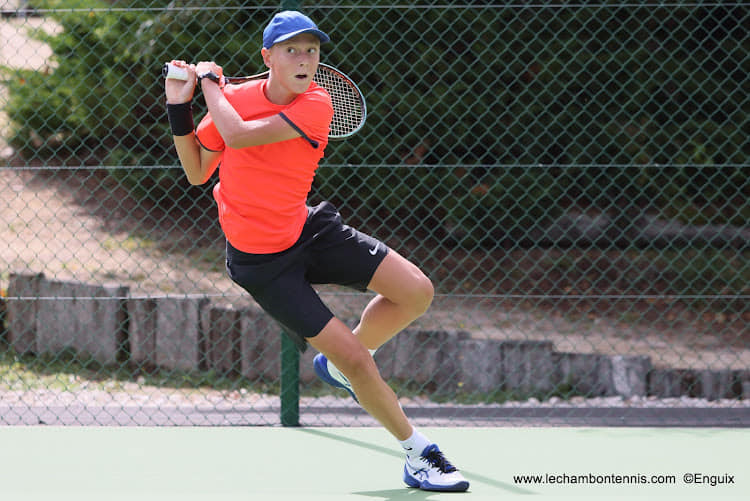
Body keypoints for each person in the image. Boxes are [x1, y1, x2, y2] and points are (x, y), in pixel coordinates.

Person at [164, 10, 468, 492]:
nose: (305, 59)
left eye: (312, 50)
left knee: (416, 291)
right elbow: (197, 171)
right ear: (268, 57)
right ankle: (419, 453)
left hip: (306, 230)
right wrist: (178, 106)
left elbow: (239, 133)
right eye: (292, 50)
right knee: (358, 363)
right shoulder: (234, 99)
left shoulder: (316, 103)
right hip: (262, 264)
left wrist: (208, 85)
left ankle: (343, 362)